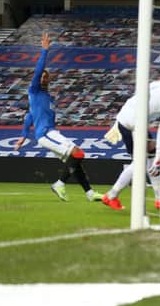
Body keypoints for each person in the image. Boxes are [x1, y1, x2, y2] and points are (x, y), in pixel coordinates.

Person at [14, 32, 103, 203]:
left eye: (46, 76)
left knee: (75, 161)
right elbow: (38, 70)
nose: (43, 77)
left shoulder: (48, 99)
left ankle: (90, 194)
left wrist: (23, 136)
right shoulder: (34, 91)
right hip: (46, 134)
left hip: (50, 133)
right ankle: (59, 184)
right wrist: (45, 51)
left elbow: (29, 116)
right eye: (41, 76)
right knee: (78, 153)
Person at [101, 70, 160, 210]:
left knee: (147, 156)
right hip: (135, 123)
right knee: (143, 161)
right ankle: (112, 195)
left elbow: (140, 96)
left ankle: (159, 198)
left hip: (126, 118)